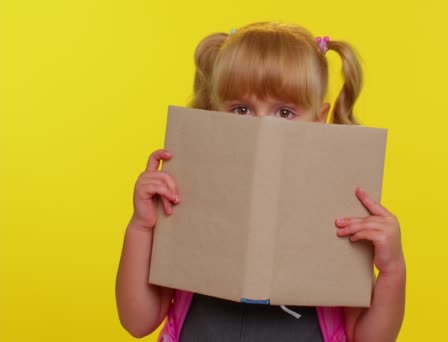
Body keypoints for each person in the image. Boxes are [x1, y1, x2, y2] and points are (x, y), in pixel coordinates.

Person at [116, 22, 406, 342]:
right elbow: (137, 320)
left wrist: (392, 270)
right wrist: (141, 227)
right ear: (215, 113)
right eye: (242, 109)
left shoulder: (339, 209)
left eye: (284, 112)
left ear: (319, 119)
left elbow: (370, 338)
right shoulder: (187, 196)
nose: (263, 130)